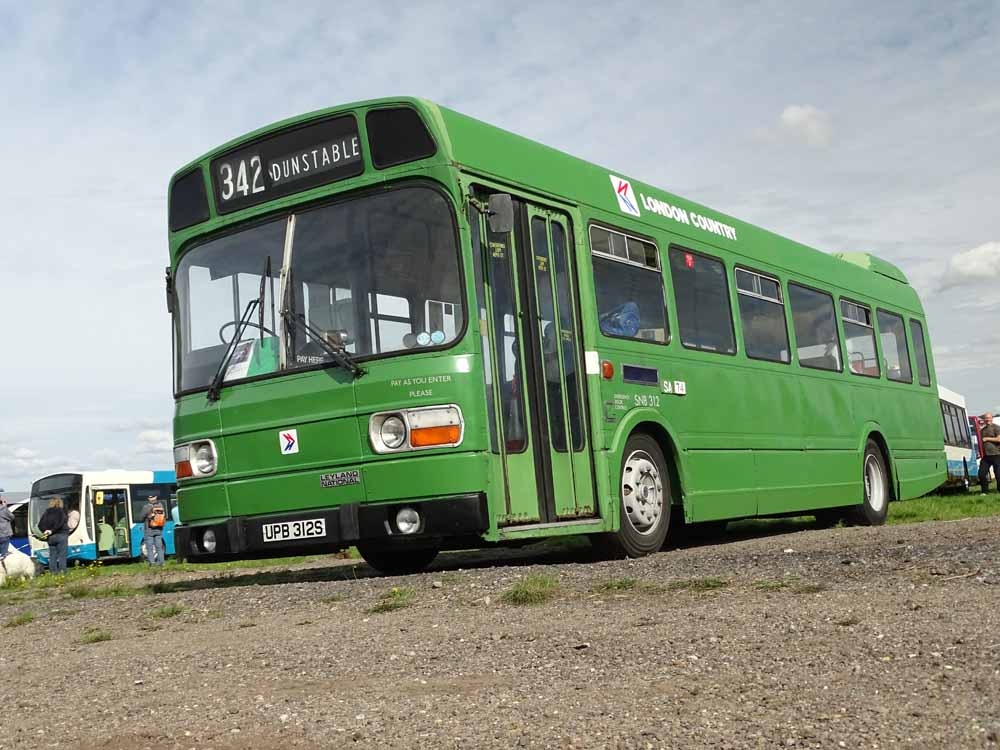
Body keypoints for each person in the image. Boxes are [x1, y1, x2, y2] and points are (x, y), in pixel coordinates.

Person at [38, 497, 70, 575]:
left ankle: (53, 572)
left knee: (52, 556)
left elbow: (40, 525)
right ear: (60, 503)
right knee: (62, 555)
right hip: (61, 535)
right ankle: (63, 572)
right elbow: (61, 523)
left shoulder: (46, 512)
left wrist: (46, 531)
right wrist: (52, 530)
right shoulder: (61, 511)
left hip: (50, 537)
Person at [140, 494, 166, 566]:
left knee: (150, 547)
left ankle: (152, 562)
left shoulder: (146, 507)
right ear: (156, 497)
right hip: (159, 529)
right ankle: (162, 562)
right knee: (159, 546)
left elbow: (141, 518)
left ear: (149, 499)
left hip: (149, 529)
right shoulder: (161, 506)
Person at [979, 413, 1000, 494]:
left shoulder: (996, 428)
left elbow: (999, 439)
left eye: (989, 418)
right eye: (986, 418)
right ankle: (984, 491)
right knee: (981, 474)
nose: (987, 419)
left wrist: (987, 439)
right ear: (984, 419)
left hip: (996, 454)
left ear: (992, 418)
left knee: (998, 474)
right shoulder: (982, 430)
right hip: (986, 456)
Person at [0, 493, 15, 562]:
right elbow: (12, 517)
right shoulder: (3, 509)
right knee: (4, 555)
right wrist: (5, 506)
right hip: (4, 534)